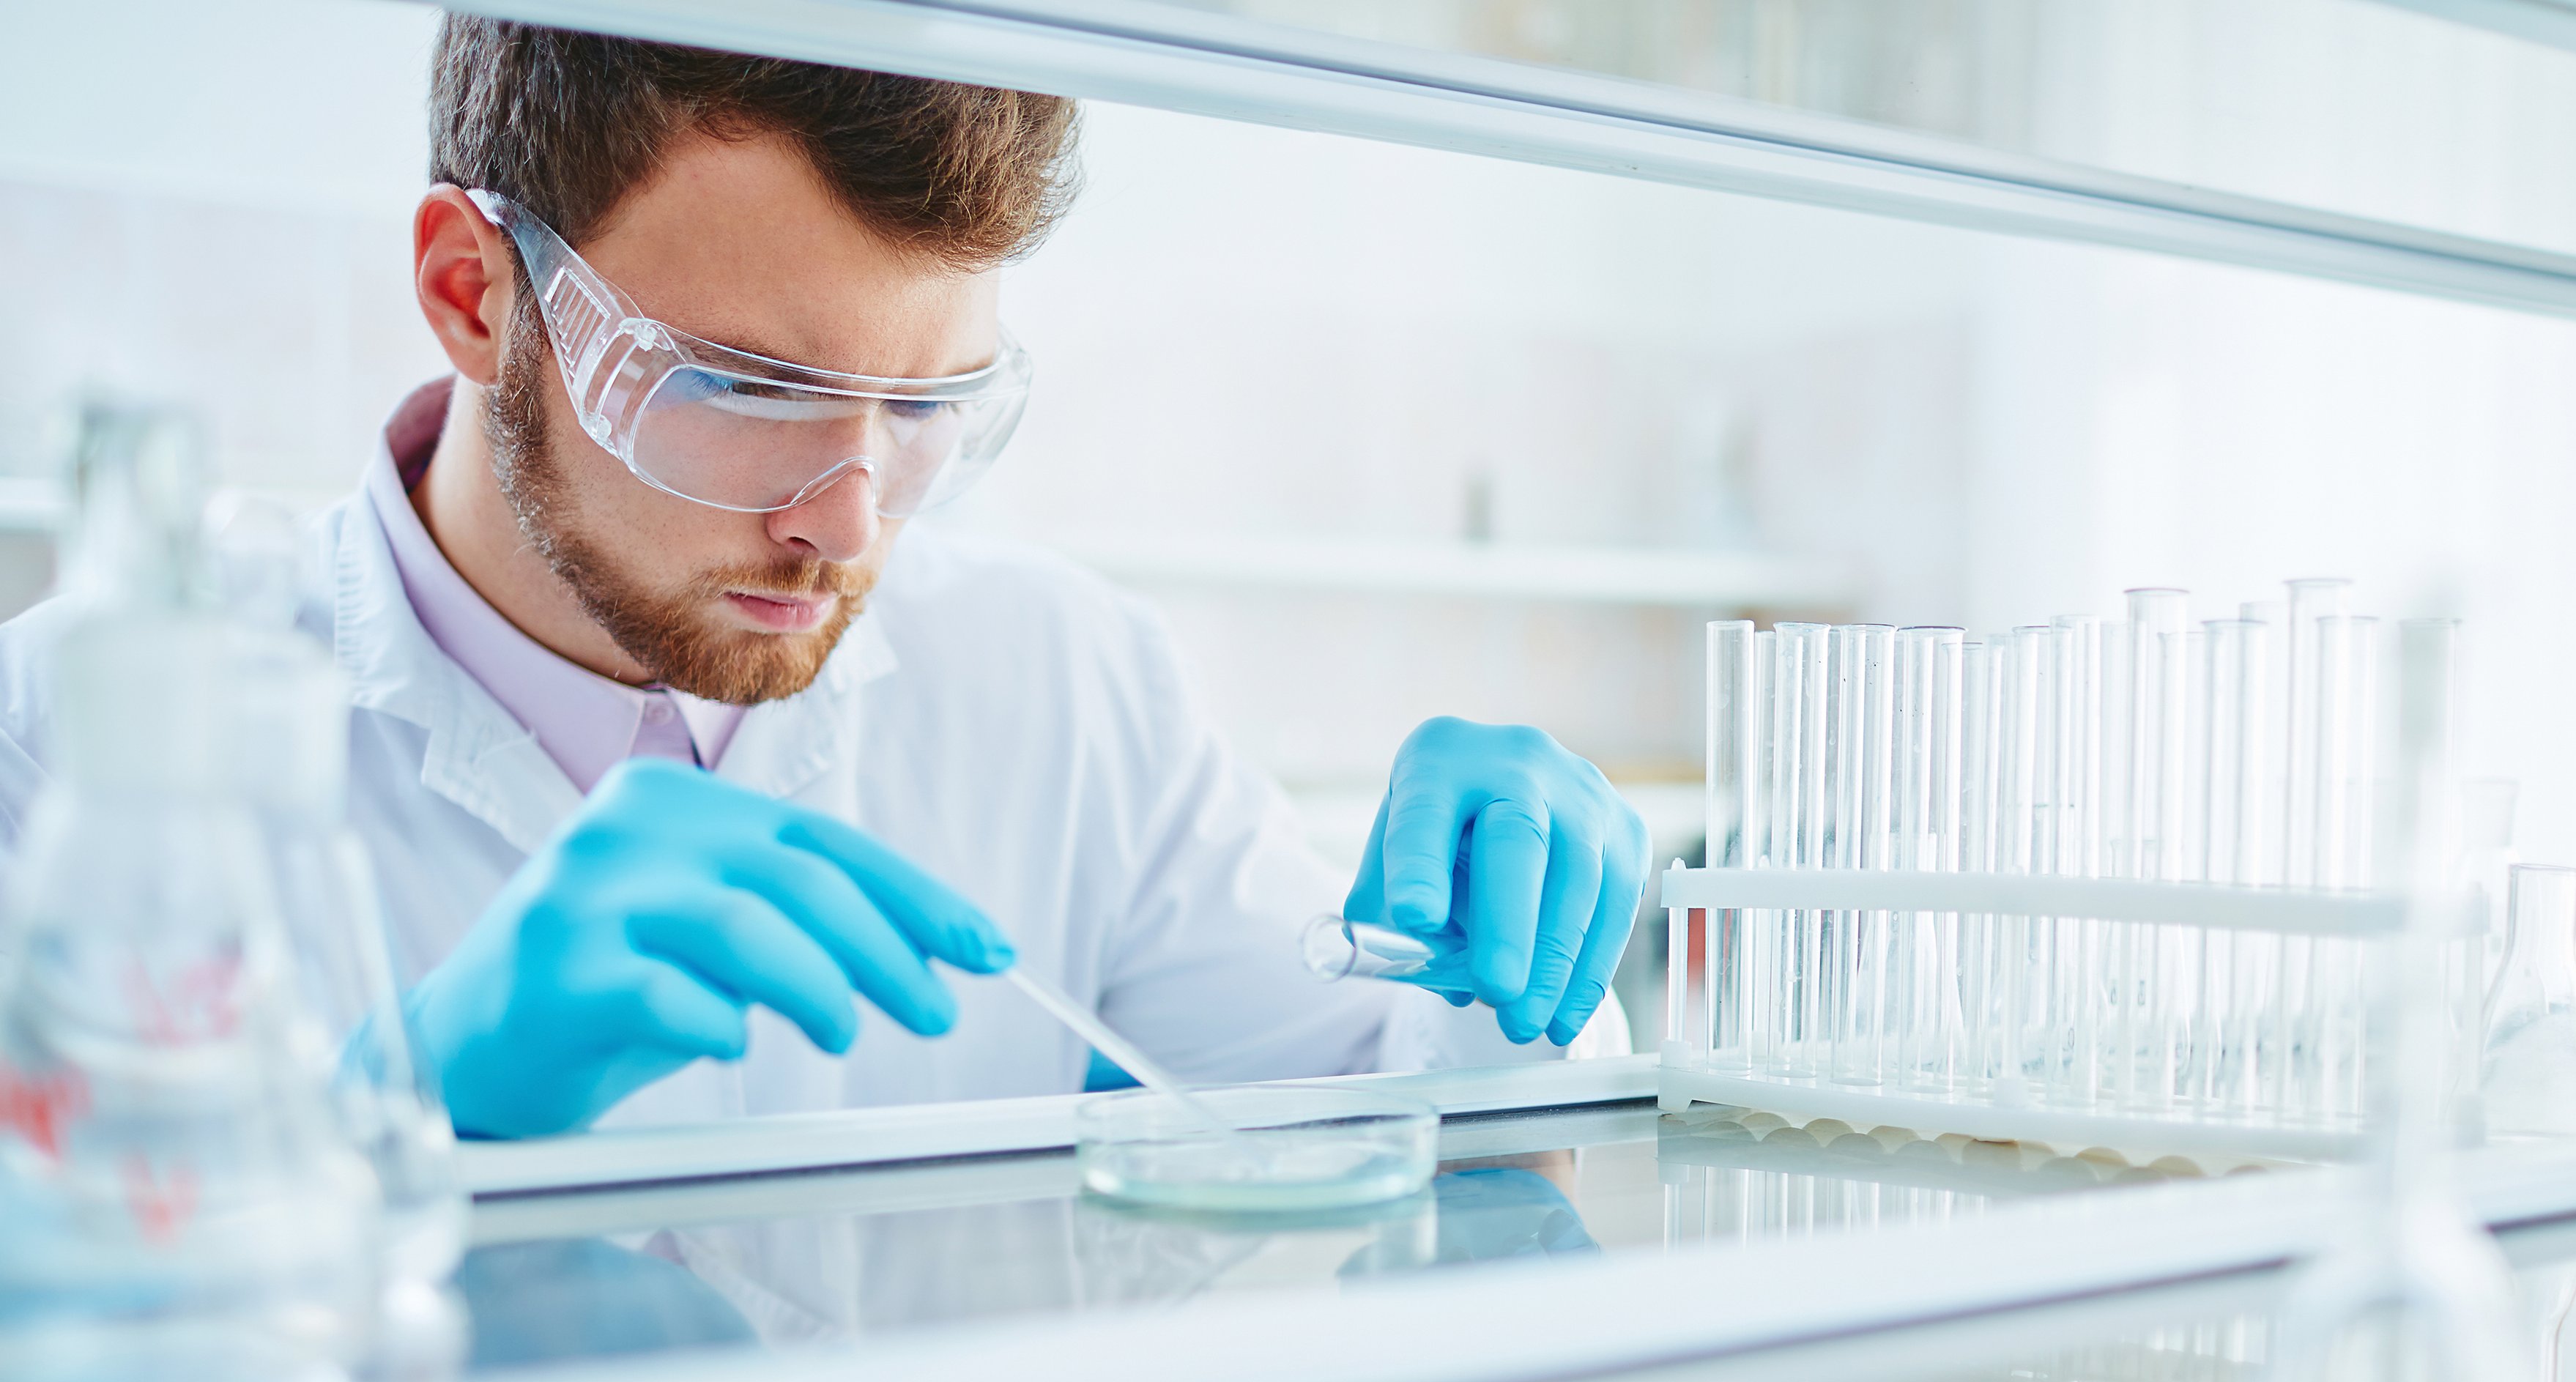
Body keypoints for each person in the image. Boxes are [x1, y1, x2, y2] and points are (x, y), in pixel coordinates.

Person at [0, 21, 1648, 1140]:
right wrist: (384, 1100)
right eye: (742, 390)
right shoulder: (71, 735)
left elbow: (1416, 1113)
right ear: (473, 292)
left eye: (927, 411)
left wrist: (1507, 974)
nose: (851, 527)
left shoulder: (1065, 687)